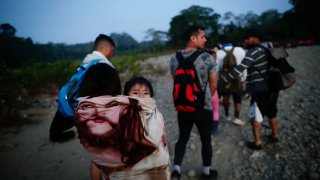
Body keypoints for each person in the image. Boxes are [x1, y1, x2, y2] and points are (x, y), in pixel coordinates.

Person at [76, 73, 170, 179]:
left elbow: (162, 140)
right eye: (135, 92)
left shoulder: (156, 113)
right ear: (126, 96)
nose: (141, 96)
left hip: (153, 168)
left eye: (146, 92)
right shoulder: (121, 114)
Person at [170, 25, 218, 179]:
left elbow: (175, 80)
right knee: (205, 139)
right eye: (203, 36)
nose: (205, 39)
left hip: (183, 106)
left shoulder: (174, 57)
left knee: (183, 137)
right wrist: (207, 98)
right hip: (202, 107)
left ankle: (176, 170)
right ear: (193, 38)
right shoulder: (207, 57)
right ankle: (206, 172)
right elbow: (213, 85)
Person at [219, 28, 280, 150]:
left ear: (255, 38)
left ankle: (257, 142)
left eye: (247, 38)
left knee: (255, 115)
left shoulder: (253, 51)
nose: (245, 40)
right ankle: (275, 136)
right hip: (273, 87)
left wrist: (222, 81)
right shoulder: (266, 48)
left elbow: (240, 69)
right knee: (272, 112)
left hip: (260, 89)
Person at [49, 34, 115, 142]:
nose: (112, 54)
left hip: (66, 107)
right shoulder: (105, 66)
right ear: (107, 49)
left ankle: (56, 133)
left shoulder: (87, 61)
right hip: (81, 110)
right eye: (112, 51)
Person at [216, 35, 246, 126]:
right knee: (237, 98)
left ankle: (227, 115)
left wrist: (218, 80)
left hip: (225, 79)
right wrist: (244, 78)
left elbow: (217, 68)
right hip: (238, 78)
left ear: (222, 43)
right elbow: (244, 65)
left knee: (226, 96)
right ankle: (237, 118)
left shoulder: (219, 52)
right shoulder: (240, 50)